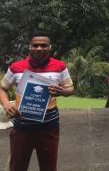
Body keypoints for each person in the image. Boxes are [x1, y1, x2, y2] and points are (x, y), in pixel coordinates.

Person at [0, 30, 74, 171]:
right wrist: (5, 104)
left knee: (49, 167)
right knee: (17, 166)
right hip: (22, 125)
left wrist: (62, 91)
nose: (39, 48)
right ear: (30, 47)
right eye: (35, 45)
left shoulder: (59, 67)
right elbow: (2, 87)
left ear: (50, 47)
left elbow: (70, 87)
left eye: (43, 45)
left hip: (49, 127)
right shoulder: (16, 67)